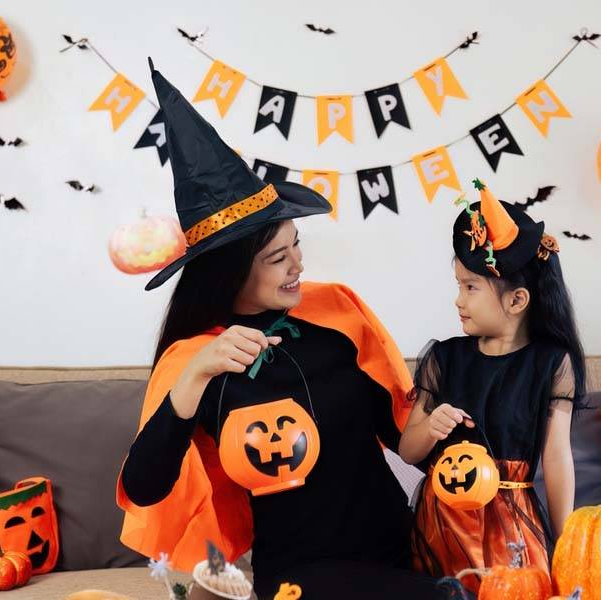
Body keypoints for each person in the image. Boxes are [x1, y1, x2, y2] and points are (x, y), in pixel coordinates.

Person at [116, 62, 440, 599]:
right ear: (230, 273)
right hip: (296, 579)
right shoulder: (196, 360)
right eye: (276, 258)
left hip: (394, 550)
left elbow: (402, 435)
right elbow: (144, 487)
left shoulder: (336, 312)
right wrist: (196, 375)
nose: (297, 267)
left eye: (296, 247)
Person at [398, 180, 586, 592]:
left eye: (470, 288)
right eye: (458, 286)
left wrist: (567, 539)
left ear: (517, 301)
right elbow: (408, 451)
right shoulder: (444, 359)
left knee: (514, 588)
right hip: (441, 523)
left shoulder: (552, 364)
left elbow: (556, 459)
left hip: (510, 524)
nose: (458, 300)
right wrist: (431, 428)